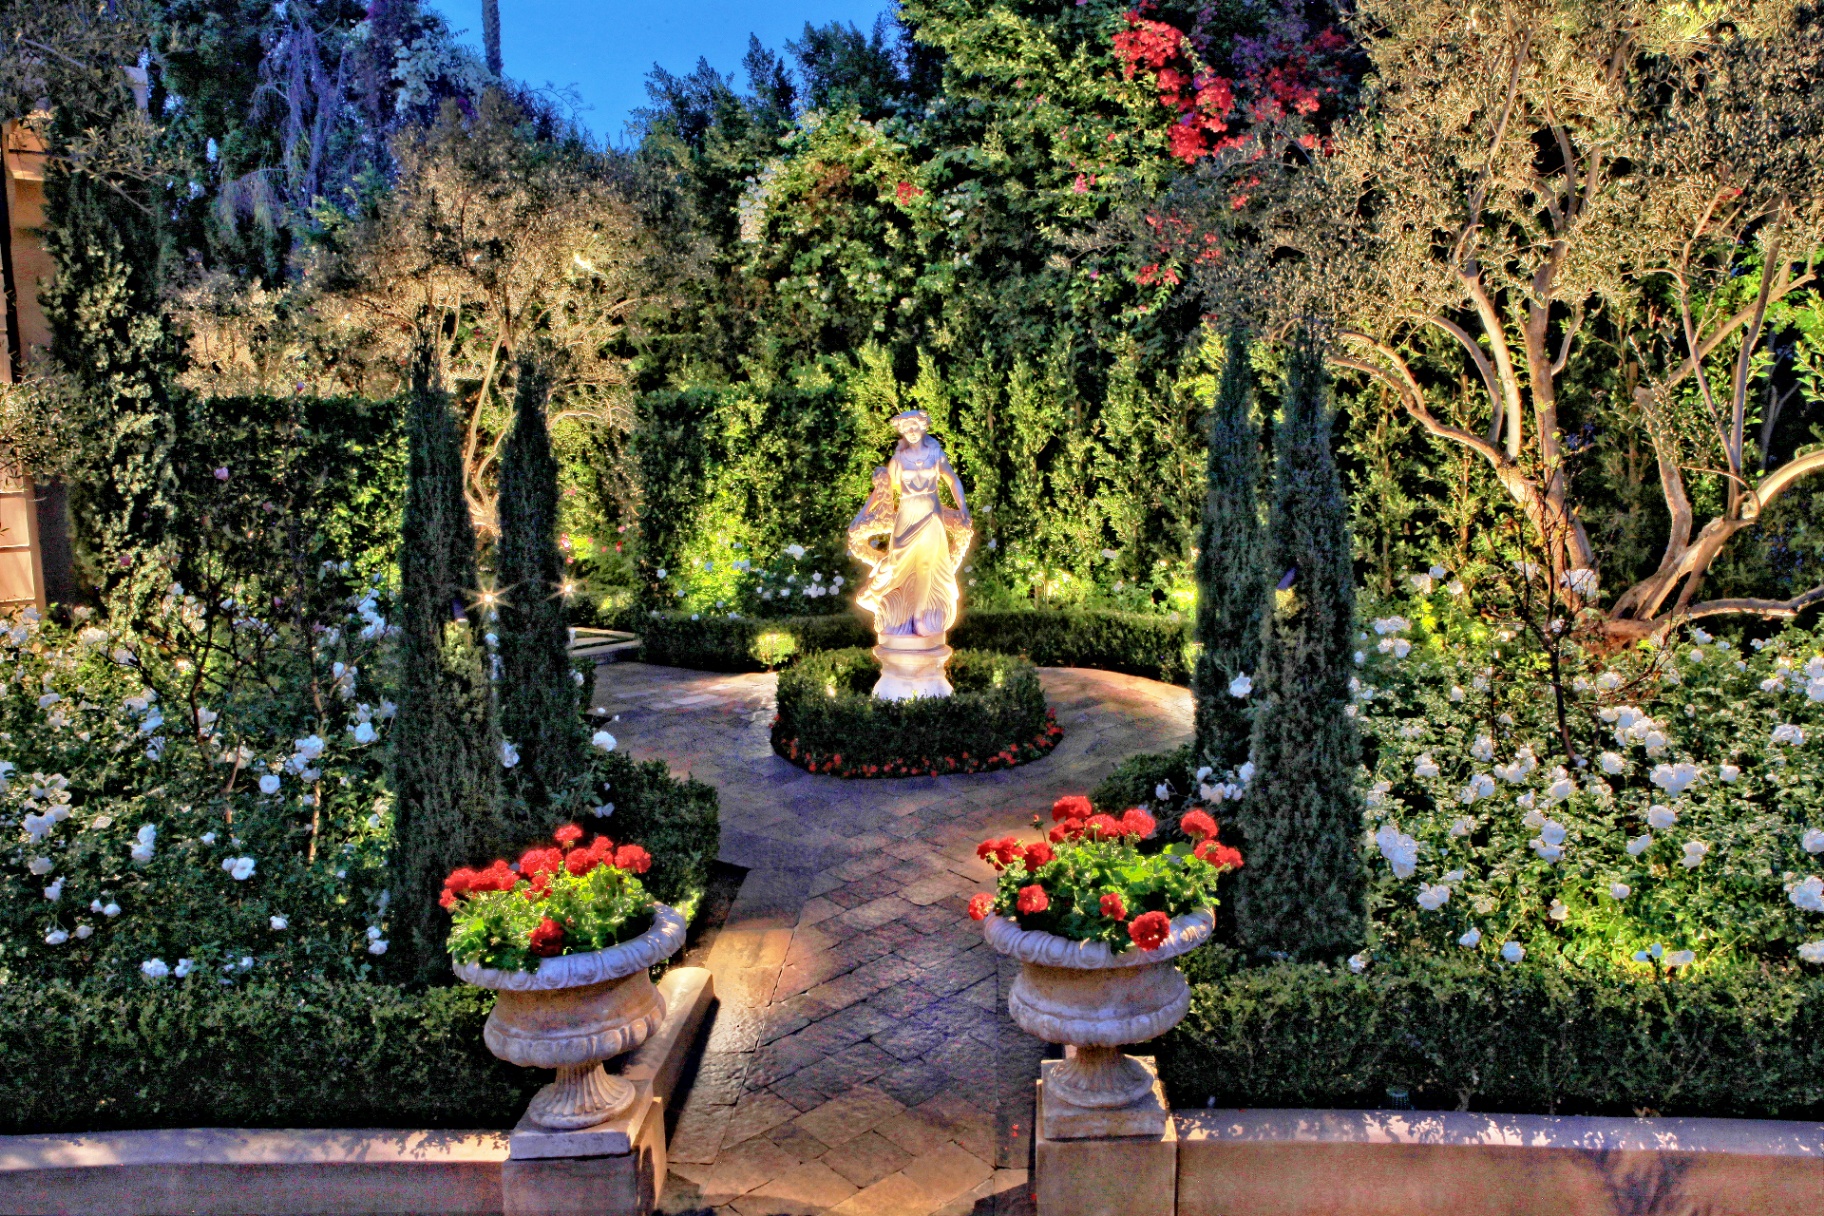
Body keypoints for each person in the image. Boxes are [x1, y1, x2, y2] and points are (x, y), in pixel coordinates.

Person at [851, 410, 971, 638]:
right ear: (903, 432)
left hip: (931, 511)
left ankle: (920, 616)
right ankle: (875, 595)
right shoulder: (898, 460)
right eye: (907, 429)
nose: (912, 432)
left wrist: (962, 507)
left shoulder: (935, 453)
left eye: (915, 427)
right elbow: (884, 488)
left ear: (923, 426)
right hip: (907, 513)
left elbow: (952, 480)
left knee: (926, 564)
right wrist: (863, 513)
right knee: (898, 563)